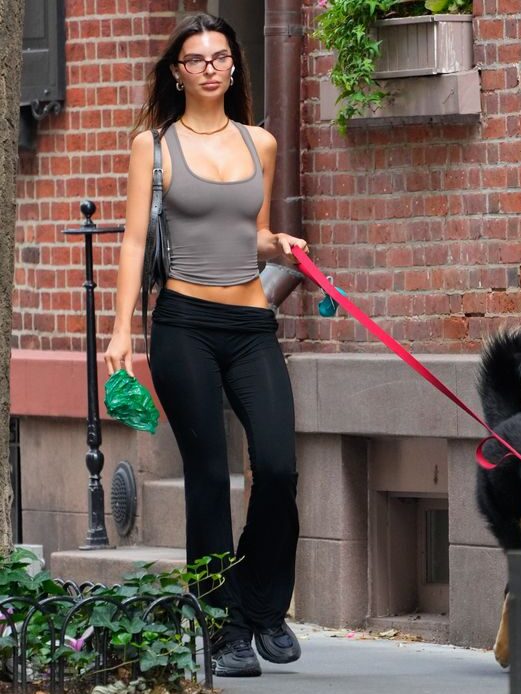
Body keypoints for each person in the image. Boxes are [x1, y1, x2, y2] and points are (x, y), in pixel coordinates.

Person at [104, 13, 308, 678]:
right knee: (209, 476)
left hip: (251, 326)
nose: (212, 67)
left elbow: (247, 230)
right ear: (178, 71)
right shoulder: (154, 146)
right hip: (184, 325)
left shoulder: (261, 143)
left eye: (222, 56)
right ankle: (222, 627)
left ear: (234, 66)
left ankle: (263, 606)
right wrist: (118, 334)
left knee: (278, 467)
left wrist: (278, 244)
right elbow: (136, 241)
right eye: (198, 59)